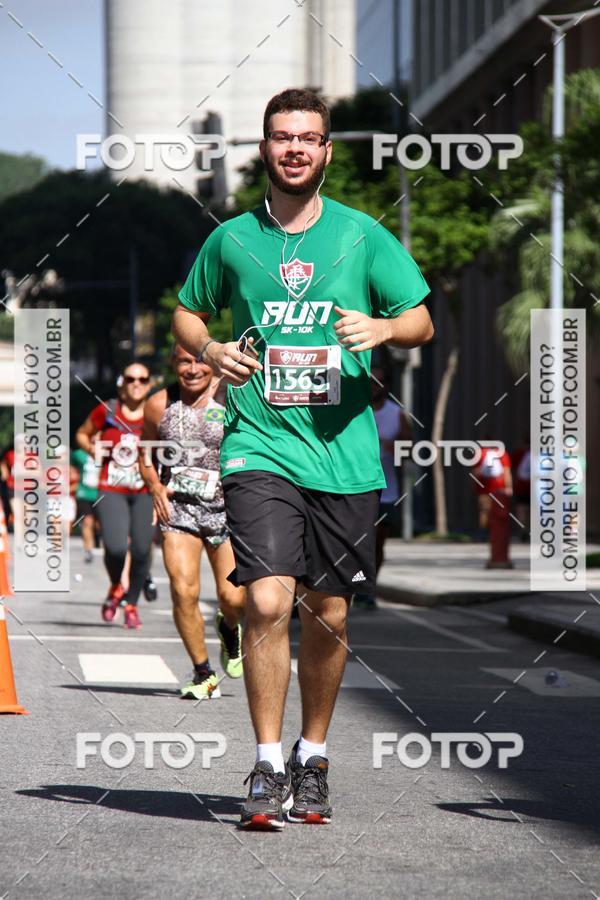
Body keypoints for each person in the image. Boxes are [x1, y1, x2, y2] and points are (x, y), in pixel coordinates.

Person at [172, 88, 433, 829]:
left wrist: (383, 331)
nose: (295, 148)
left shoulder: (363, 236)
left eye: (308, 138)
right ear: (265, 148)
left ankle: (312, 756)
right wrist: (212, 347)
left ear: (325, 151)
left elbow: (420, 318)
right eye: (282, 137)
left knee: (329, 613)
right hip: (259, 441)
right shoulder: (231, 240)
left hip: (344, 454)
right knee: (263, 597)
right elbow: (189, 311)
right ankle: (265, 762)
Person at [139, 344, 245, 699]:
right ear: (173, 363)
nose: (193, 368)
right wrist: (155, 485)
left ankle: (230, 629)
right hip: (178, 510)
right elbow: (145, 453)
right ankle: (203, 673)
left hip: (226, 509)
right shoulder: (159, 404)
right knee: (183, 590)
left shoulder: (233, 394)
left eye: (199, 360)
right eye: (184, 361)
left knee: (234, 598)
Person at [76, 362, 154, 629]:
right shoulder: (107, 410)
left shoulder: (157, 412)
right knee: (117, 547)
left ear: (149, 384)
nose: (136, 383)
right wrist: (93, 451)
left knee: (143, 549)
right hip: (111, 488)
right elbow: (82, 434)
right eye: (130, 378)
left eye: (142, 379)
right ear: (122, 384)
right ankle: (115, 587)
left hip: (145, 489)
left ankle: (131, 603)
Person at [353, 366, 411, 609]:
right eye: (371, 380)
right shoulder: (355, 411)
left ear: (386, 385)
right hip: (354, 487)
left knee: (377, 543)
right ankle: (355, 584)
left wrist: (394, 447)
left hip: (386, 490)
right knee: (355, 542)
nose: (375, 385)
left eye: (380, 381)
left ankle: (369, 588)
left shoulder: (396, 413)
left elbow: (410, 449)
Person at [71, 445, 100, 562]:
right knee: (87, 521)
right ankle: (88, 550)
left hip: (101, 493)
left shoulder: (106, 453)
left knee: (98, 524)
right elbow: (72, 468)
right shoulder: (79, 454)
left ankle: (99, 542)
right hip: (84, 493)